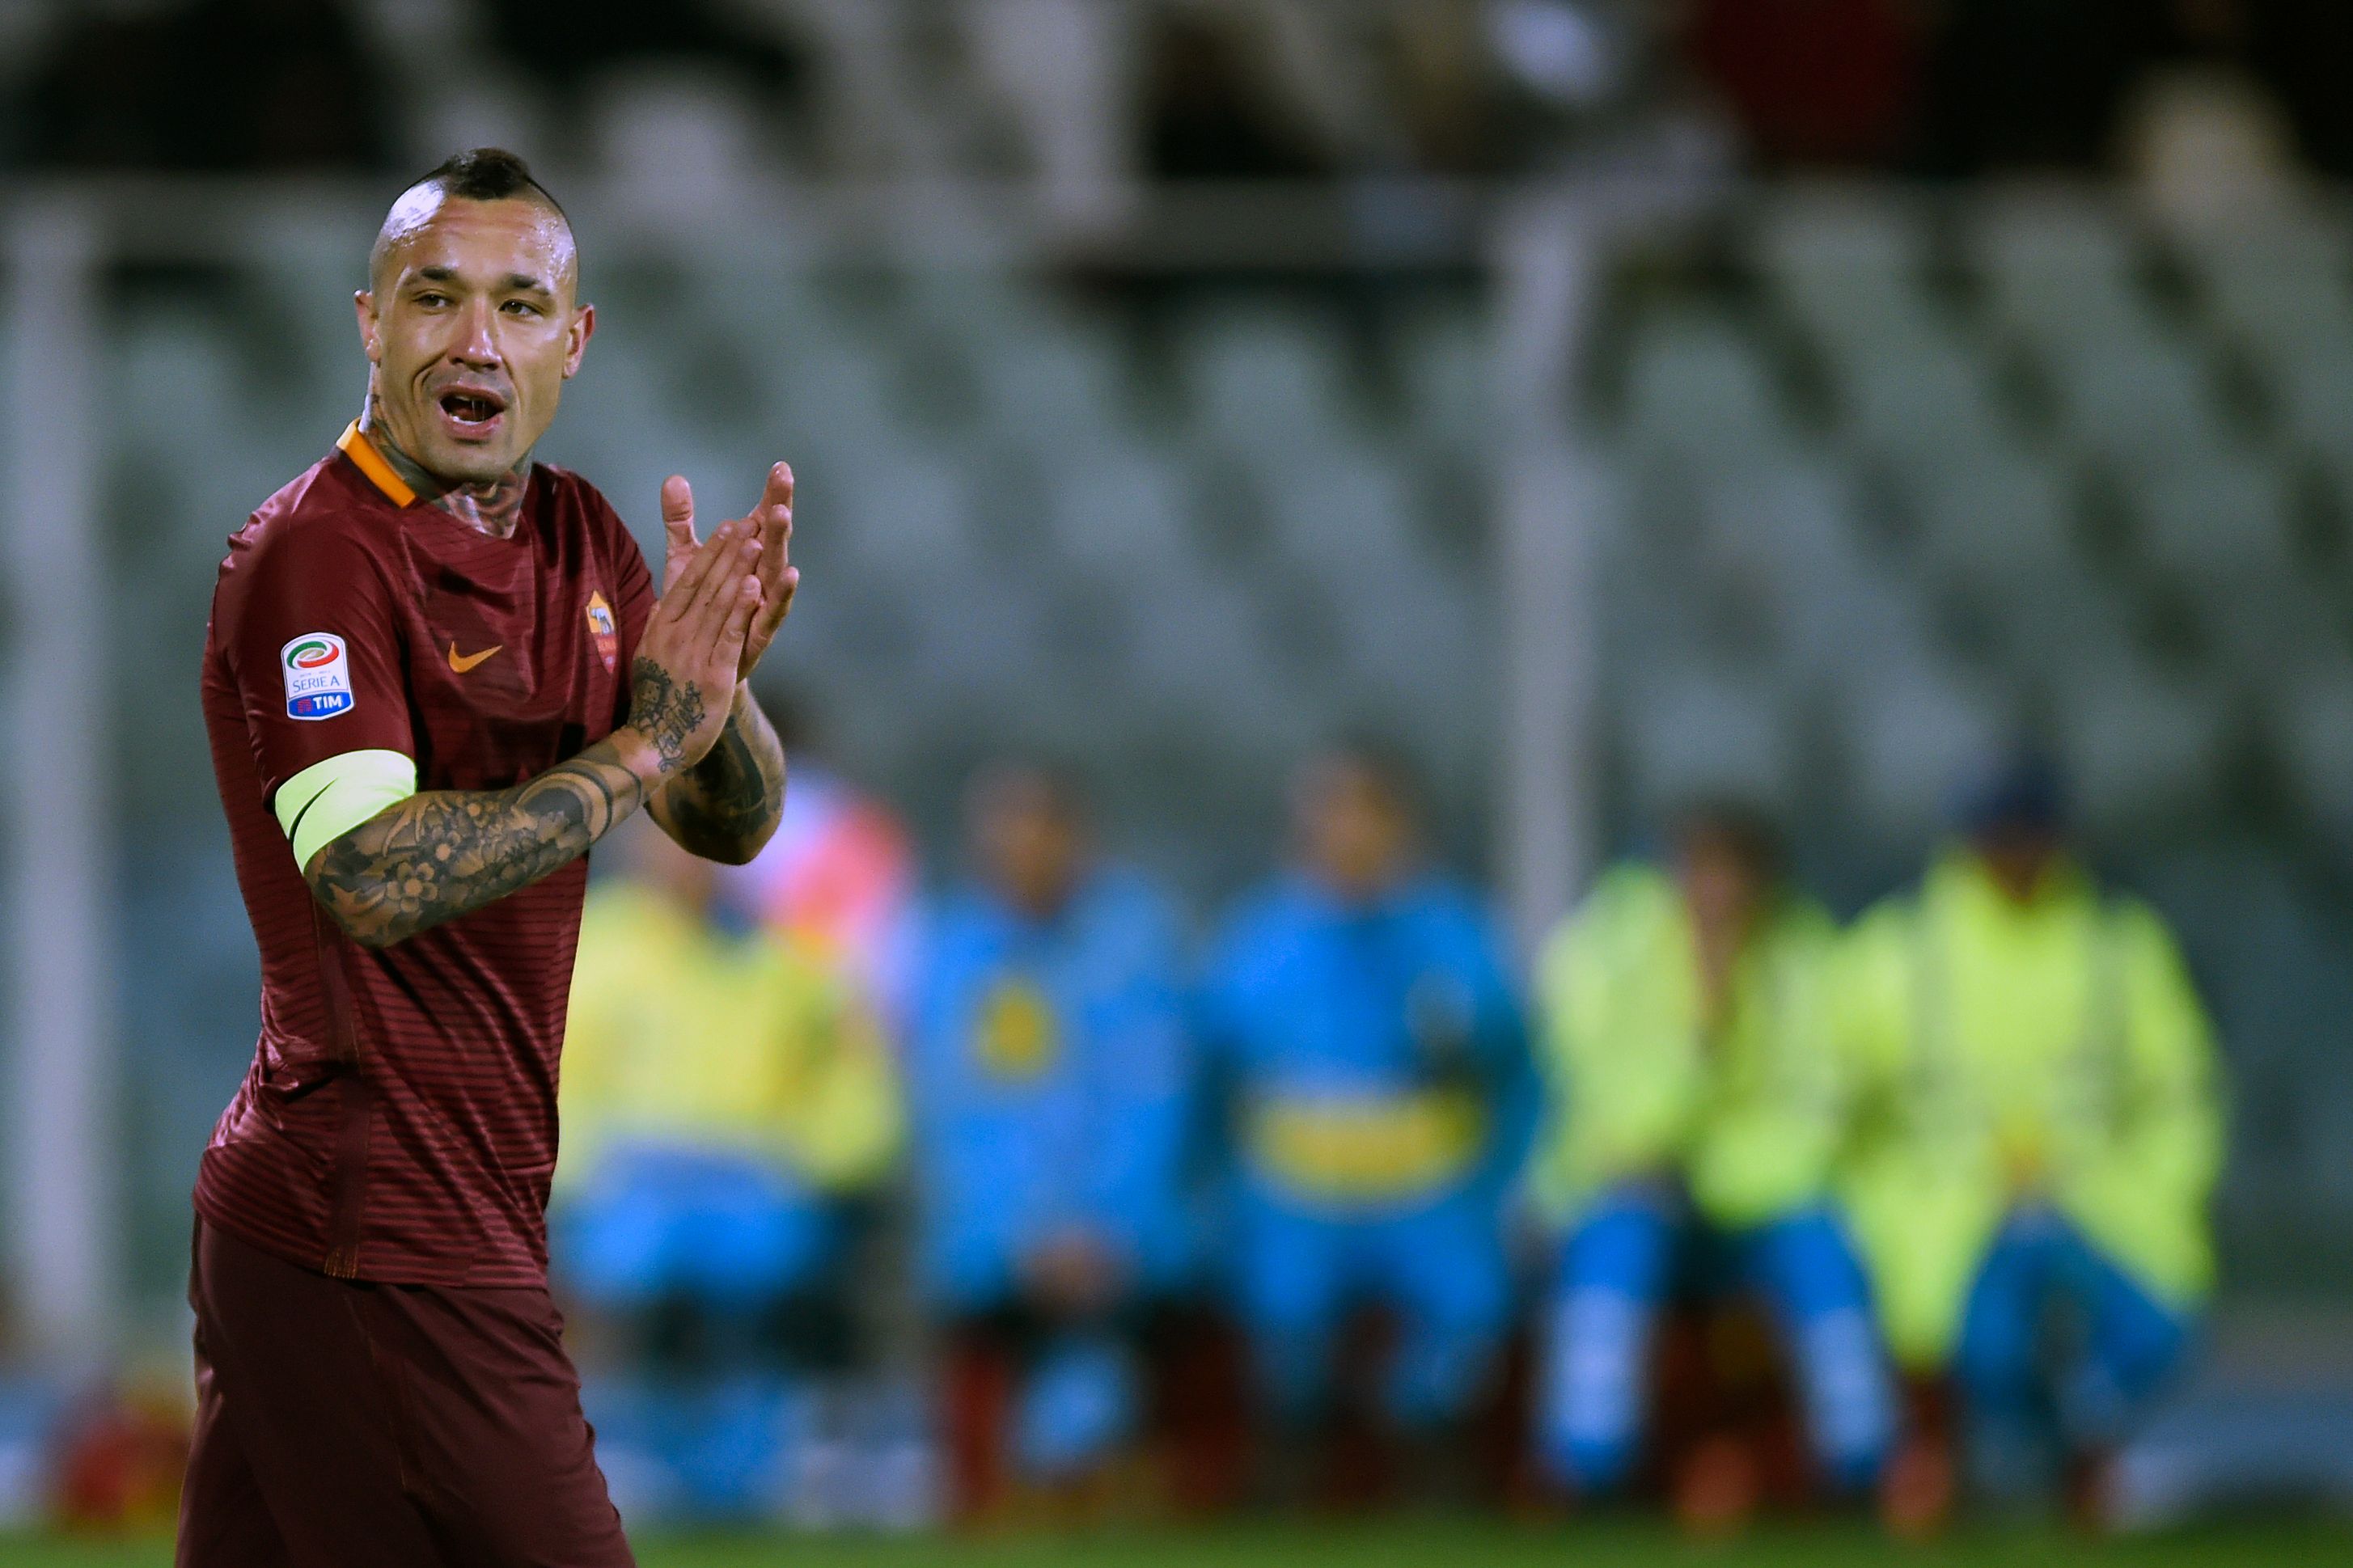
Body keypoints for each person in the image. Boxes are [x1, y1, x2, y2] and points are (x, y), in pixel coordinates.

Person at [182, 148, 800, 1567]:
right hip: (373, 1217)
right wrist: (640, 748)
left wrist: (717, 696)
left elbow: (728, 823)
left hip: (438, 1205)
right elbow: (371, 874)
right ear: (370, 323)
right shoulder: (316, 556)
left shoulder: (581, 534)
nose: (476, 339)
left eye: (520, 305)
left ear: (571, 343)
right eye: (435, 297)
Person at [1839, 756, 2224, 1520]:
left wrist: (2158, 1186)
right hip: (1950, 1216)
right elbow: (1843, 1104)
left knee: (2155, 1333)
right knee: (1988, 1349)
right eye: (1998, 836)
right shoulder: (1898, 948)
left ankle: (2057, 1456)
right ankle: (2020, 1467)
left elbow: (2183, 1092)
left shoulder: (2120, 945)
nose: (2015, 854)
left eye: (2029, 835)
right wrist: (1887, 1203)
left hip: (2102, 1203)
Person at [1524, 805, 1893, 1517]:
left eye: (1736, 872)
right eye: (1703, 869)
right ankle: (1582, 1467)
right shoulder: (1607, 949)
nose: (1719, 892)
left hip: (1762, 1205)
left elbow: (1820, 1114)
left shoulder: (1811, 960)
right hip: (1634, 1196)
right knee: (1616, 1245)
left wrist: (1724, 1169)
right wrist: (1700, 1033)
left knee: (1821, 1248)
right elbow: (1599, 1103)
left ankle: (1864, 1467)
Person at [1202, 741, 1529, 1498]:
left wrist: (1502, 1185)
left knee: (1469, 1308)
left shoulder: (1453, 933)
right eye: (1331, 814)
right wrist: (1224, 1201)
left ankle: (1425, 1443)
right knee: (1284, 1315)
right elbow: (1213, 1079)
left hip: (1428, 1185)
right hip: (1295, 1187)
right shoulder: (1259, 939)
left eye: (1367, 815)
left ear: (1401, 826)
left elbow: (1512, 1068)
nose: (1348, 834)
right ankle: (1292, 1454)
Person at [554, 820, 902, 1518]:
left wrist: (805, 1158)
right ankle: (621, 1439)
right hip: (632, 1180)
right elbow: (549, 1083)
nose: (690, 855)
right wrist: (600, 1162)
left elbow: (857, 1091)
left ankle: (762, 1450)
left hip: (758, 1177)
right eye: (675, 833)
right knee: (634, 1255)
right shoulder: (589, 947)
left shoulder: (794, 955)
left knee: (766, 1258)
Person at [908, 763, 1196, 1516]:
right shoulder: (955, 955)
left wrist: (1098, 1222)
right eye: (1000, 833)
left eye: (1036, 829)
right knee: (982, 1274)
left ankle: (1079, 1461)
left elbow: (1155, 1108)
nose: (1017, 849)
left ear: (1077, 837)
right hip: (999, 1231)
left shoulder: (1136, 946)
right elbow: (955, 1122)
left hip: (1120, 1228)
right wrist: (1021, 1229)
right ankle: (1053, 1465)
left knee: (1125, 1288)